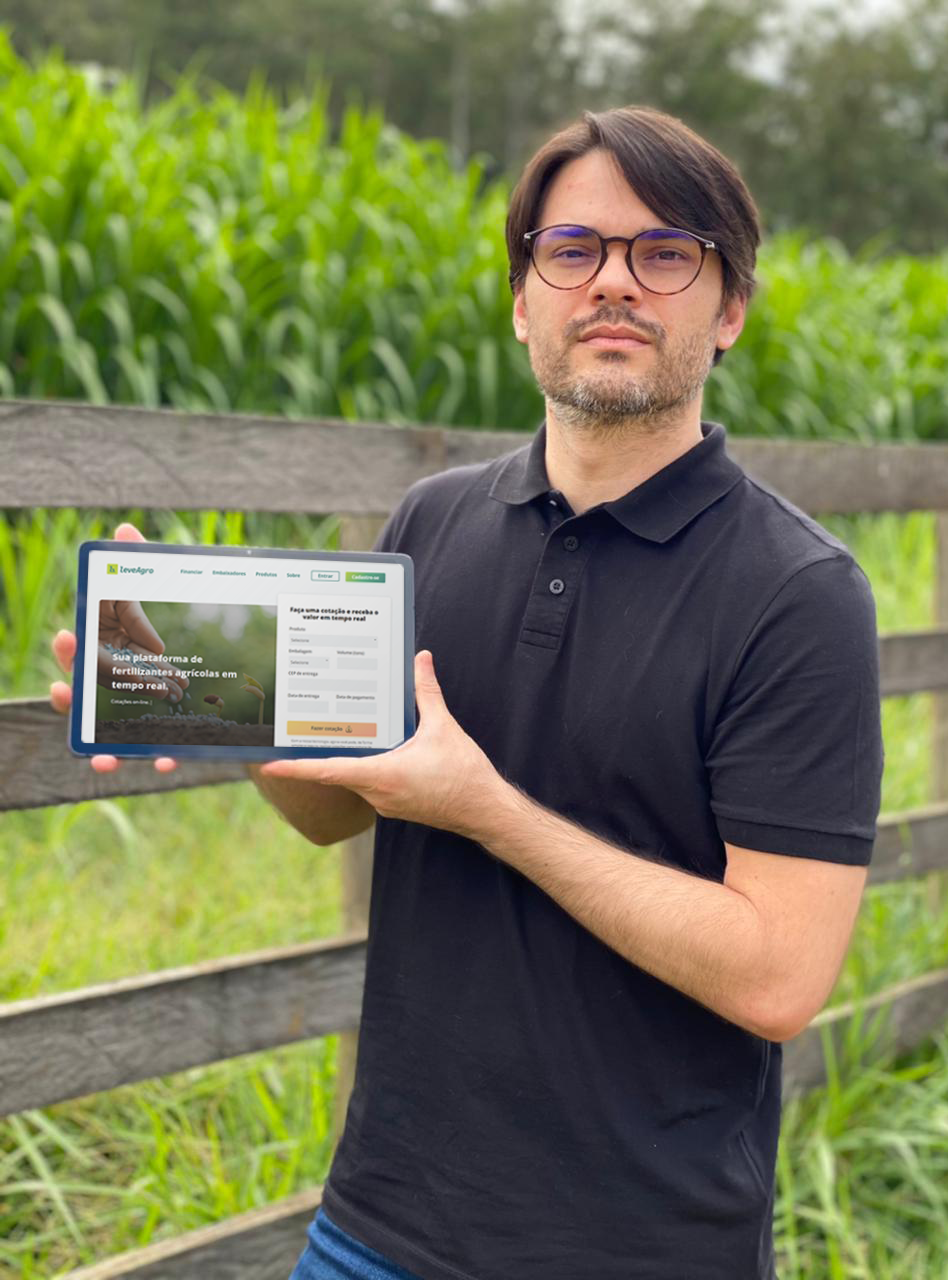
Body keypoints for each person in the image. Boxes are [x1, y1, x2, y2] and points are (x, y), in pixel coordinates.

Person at [52, 105, 883, 1280]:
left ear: (729, 307)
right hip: (377, 1221)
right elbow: (339, 807)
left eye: (664, 253)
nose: (612, 282)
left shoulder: (796, 592)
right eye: (571, 249)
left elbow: (777, 976)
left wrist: (488, 809)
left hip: (637, 1248)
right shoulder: (430, 522)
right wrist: (213, 699)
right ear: (522, 300)